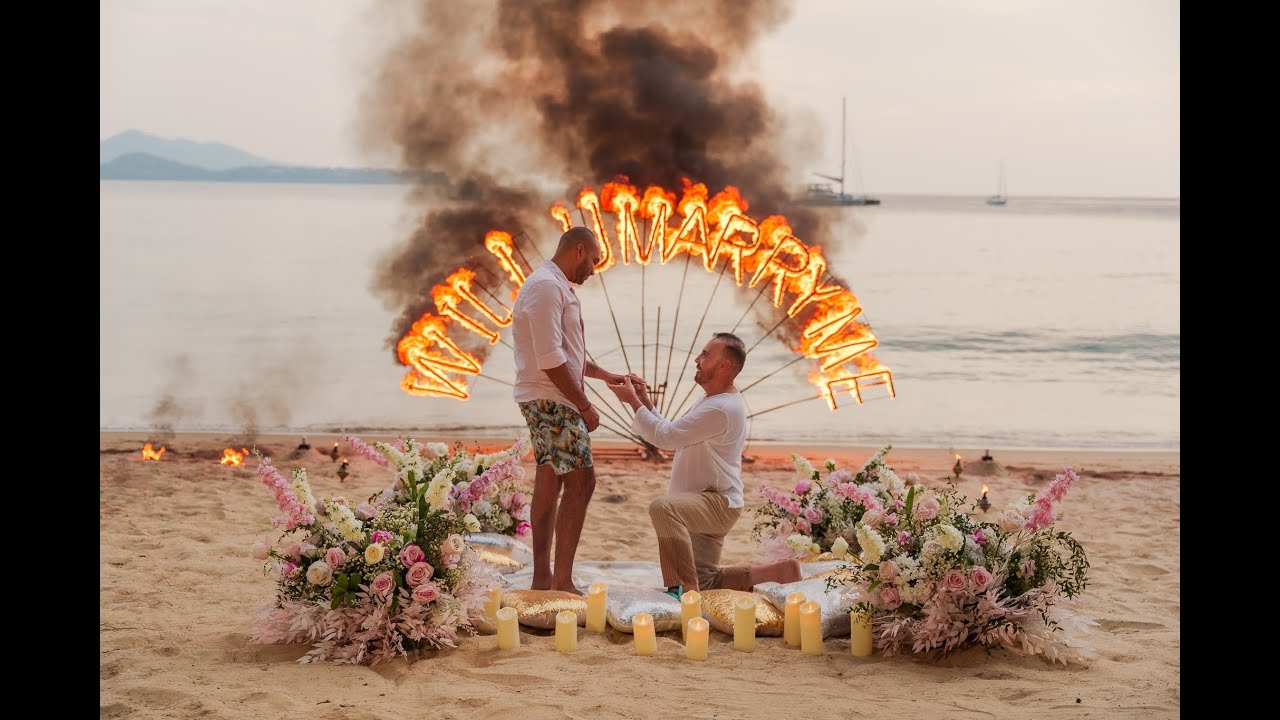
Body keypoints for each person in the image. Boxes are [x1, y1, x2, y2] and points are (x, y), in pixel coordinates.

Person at [606, 332, 802, 596]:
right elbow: (673, 430)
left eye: (705, 355)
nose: (697, 360)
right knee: (707, 580)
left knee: (662, 508)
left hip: (715, 502)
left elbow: (666, 439)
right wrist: (641, 400)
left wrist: (632, 401)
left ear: (724, 366)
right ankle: (779, 572)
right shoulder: (715, 400)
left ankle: (687, 590)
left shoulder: (721, 408)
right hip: (702, 501)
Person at [511, 226, 625, 595]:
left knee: (551, 479)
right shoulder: (546, 287)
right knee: (582, 482)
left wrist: (604, 375)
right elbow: (551, 359)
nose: (594, 269)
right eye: (593, 260)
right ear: (579, 250)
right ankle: (560, 580)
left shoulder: (555, 286)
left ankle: (543, 578)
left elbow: (567, 354)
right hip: (551, 399)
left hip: (547, 396)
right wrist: (585, 405)